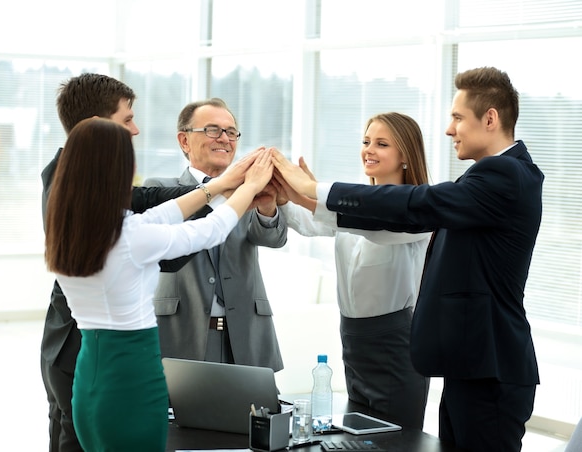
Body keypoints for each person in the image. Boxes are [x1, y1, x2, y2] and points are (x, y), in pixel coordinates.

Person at [272, 67, 543, 451]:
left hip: (490, 368)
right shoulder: (489, 178)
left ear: (490, 118)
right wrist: (303, 197)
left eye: (457, 118)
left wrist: (314, 190)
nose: (450, 129)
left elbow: (418, 203)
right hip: (472, 365)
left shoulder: (505, 175)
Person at [45, 117, 274, 451]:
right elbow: (208, 232)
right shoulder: (129, 238)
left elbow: (161, 215)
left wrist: (221, 186)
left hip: (90, 380)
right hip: (132, 381)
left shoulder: (71, 232)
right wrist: (249, 188)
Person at [40, 73, 201, 452]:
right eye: (127, 119)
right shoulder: (71, 186)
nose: (136, 129)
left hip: (84, 348)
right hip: (80, 348)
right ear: (94, 127)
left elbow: (144, 197)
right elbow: (142, 227)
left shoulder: (80, 177)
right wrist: (224, 196)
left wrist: (213, 187)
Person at [274, 112, 431, 429]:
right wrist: (283, 197)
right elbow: (314, 222)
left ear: (405, 156)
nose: (369, 150)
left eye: (382, 144)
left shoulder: (419, 208)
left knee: (396, 440)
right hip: (353, 340)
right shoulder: (354, 206)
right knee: (357, 434)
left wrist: (306, 194)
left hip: (394, 343)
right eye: (366, 141)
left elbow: (373, 226)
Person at [144, 98, 286, 371]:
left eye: (231, 132)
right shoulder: (159, 189)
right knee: (181, 414)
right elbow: (178, 239)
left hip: (245, 335)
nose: (224, 138)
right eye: (212, 130)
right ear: (184, 141)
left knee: (252, 413)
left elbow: (273, 239)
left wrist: (267, 205)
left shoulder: (252, 187)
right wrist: (229, 191)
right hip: (182, 333)